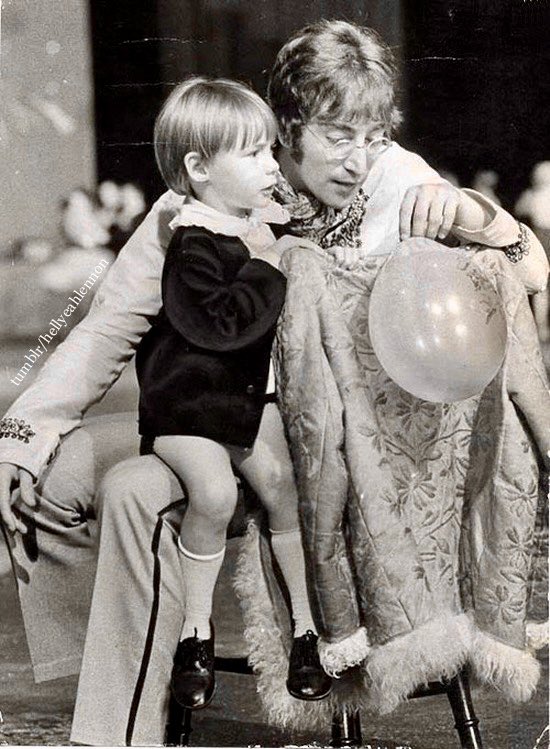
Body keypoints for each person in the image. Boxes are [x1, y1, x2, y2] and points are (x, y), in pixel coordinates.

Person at [0, 19, 547, 746]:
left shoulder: (395, 176)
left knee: (134, 491)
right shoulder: (195, 204)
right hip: (208, 420)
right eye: (335, 135)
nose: (358, 159)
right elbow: (104, 329)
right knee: (48, 476)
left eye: (370, 134)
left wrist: (476, 215)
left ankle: (116, 725)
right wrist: (22, 435)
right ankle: (134, 682)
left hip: (331, 449)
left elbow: (527, 269)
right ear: (286, 127)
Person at [136, 76, 330, 708]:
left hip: (243, 402)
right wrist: (269, 263)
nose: (271, 165)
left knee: (283, 487)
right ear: (199, 169)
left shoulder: (252, 224)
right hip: (187, 406)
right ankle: (195, 629)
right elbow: (219, 324)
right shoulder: (192, 240)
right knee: (215, 494)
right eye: (254, 154)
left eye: (271, 151)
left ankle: (307, 629)